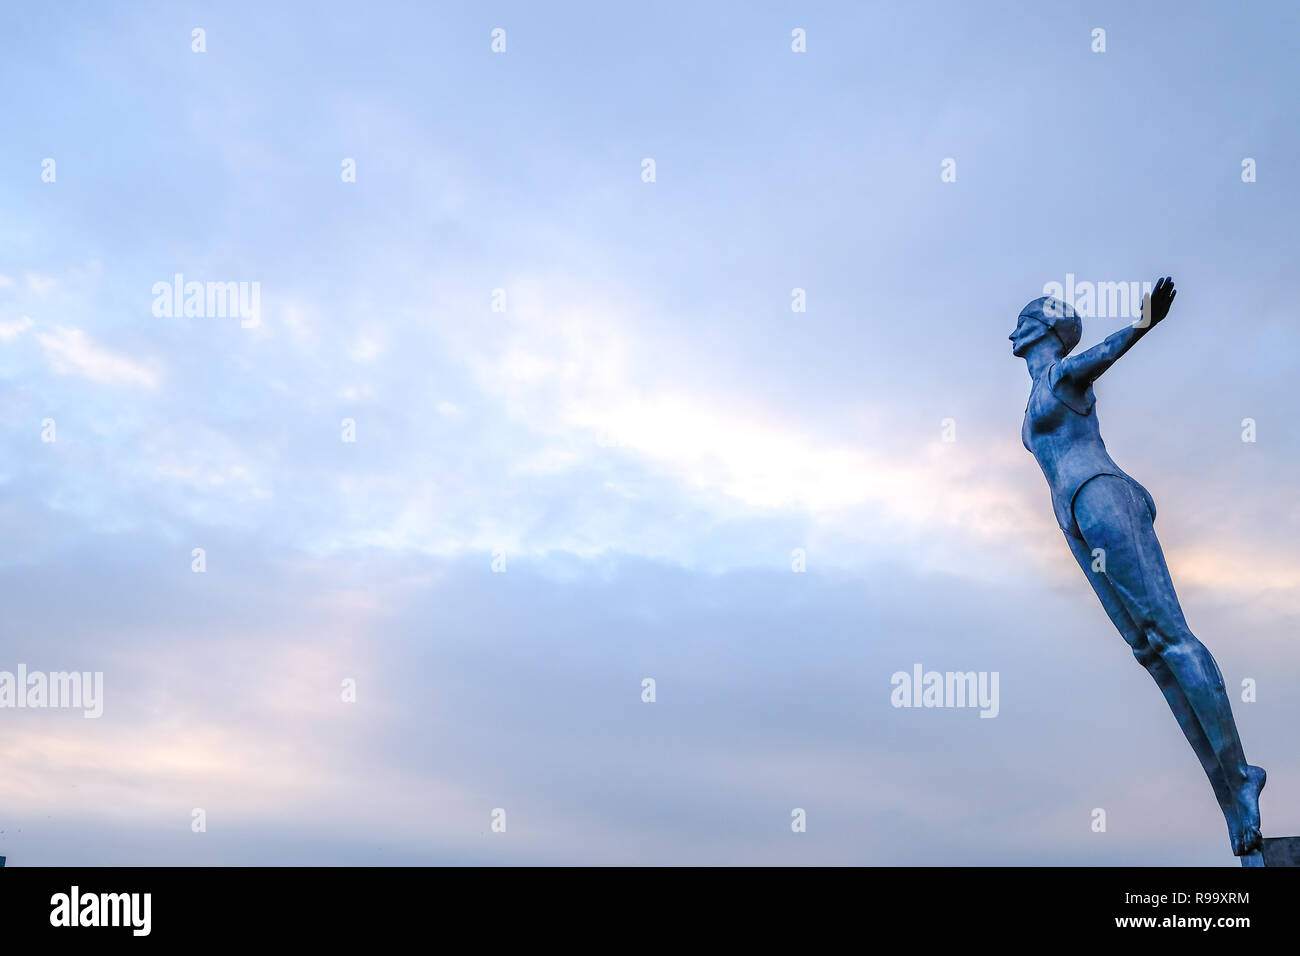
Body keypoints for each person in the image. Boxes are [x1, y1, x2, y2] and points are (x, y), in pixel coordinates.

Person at [1012, 277, 1265, 856]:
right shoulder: (1033, 396)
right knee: (1149, 652)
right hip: (1073, 515)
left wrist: (1144, 324)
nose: (1013, 330)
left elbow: (1100, 358)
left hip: (1104, 496)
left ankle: (1243, 773)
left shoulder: (1063, 376)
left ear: (1046, 330)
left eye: (1025, 320)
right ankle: (1232, 793)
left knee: (1173, 639)